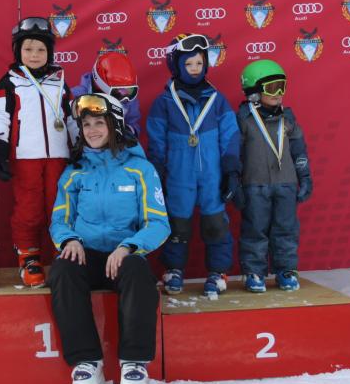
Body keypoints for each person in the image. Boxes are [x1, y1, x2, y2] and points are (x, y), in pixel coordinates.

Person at [48, 93, 170, 384]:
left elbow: (158, 223)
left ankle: (134, 362)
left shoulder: (140, 169)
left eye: (99, 123)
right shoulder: (75, 171)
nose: (91, 130)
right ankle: (87, 362)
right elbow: (59, 220)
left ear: (114, 125)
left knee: (138, 270)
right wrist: (70, 239)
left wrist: (129, 246)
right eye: (86, 124)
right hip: (87, 254)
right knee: (62, 269)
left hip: (123, 255)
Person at [145, 33, 241, 299]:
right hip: (179, 175)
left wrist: (231, 169)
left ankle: (218, 272)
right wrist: (158, 170)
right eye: (188, 64)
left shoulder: (217, 100)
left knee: (215, 223)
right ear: (176, 66)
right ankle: (174, 269)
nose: (195, 69)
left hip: (212, 175)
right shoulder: (164, 103)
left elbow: (230, 136)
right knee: (177, 224)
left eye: (200, 63)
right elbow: (156, 139)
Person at [0, 16, 73, 287]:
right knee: (29, 209)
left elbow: (70, 117)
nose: (34, 55)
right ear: (17, 51)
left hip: (58, 157)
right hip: (25, 157)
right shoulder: (9, 83)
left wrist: (79, 144)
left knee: (59, 206)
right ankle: (29, 257)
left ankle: (64, 254)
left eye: (40, 49)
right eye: (28, 49)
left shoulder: (59, 82)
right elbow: (1, 117)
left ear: (50, 52)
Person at [236, 59, 312, 292]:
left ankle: (286, 270)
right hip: (255, 184)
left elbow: (299, 150)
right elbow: (233, 154)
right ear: (254, 92)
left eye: (282, 86)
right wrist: (234, 181)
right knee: (255, 229)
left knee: (286, 229)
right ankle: (254, 272)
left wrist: (304, 176)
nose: (279, 93)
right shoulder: (243, 120)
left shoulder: (288, 119)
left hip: (286, 184)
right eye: (272, 88)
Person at [71, 51, 142, 135]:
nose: (124, 96)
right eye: (119, 91)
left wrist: (127, 131)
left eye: (129, 90)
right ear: (101, 84)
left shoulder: (128, 99)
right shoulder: (76, 97)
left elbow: (133, 124)